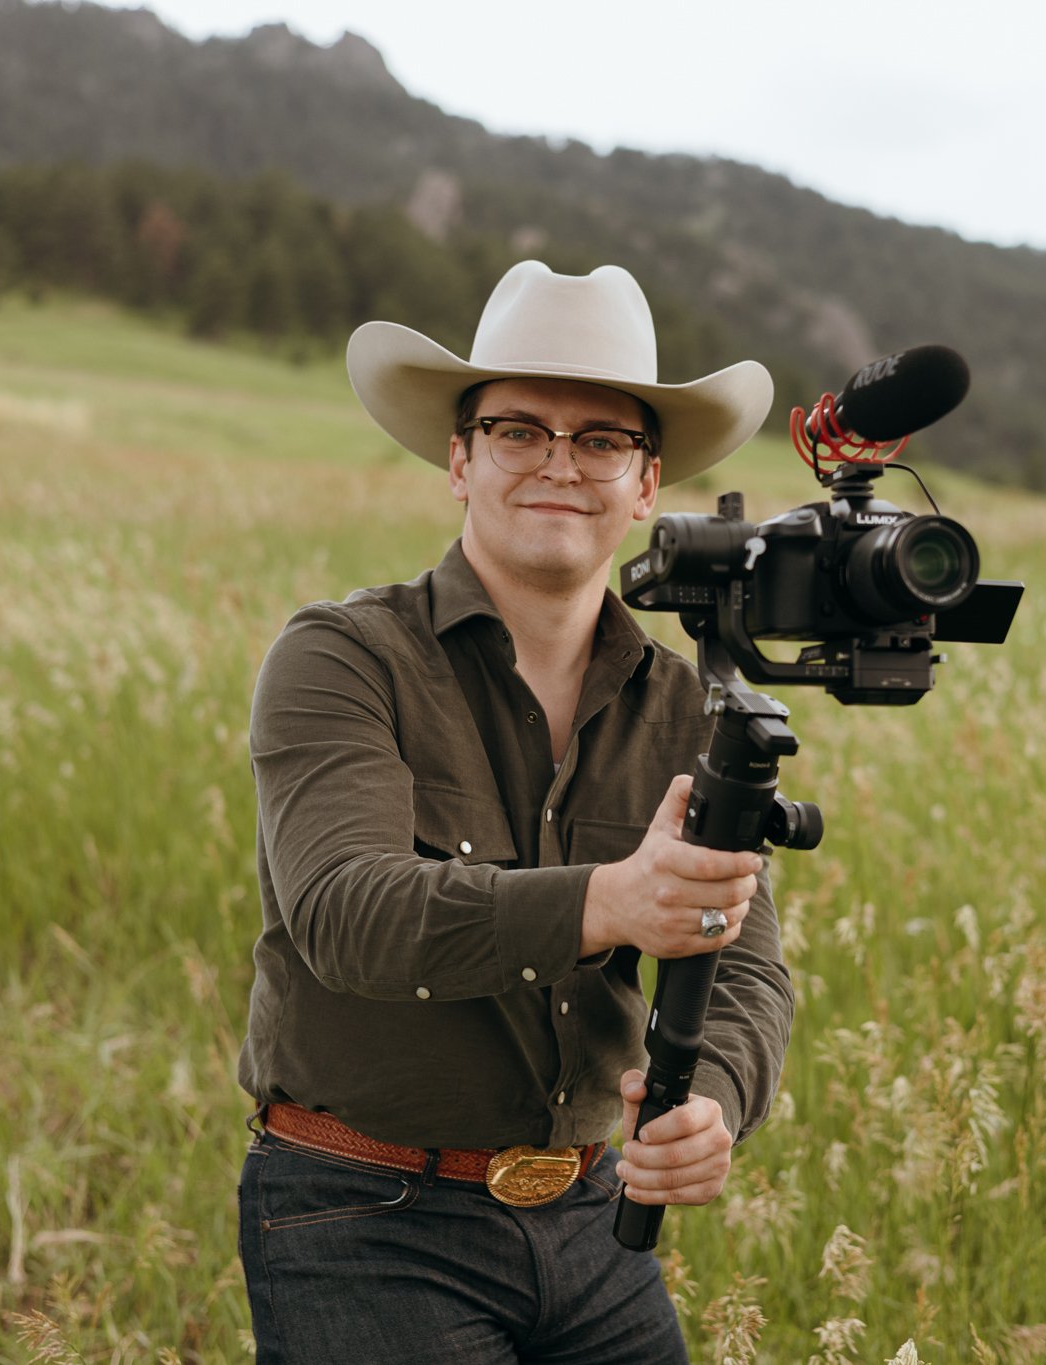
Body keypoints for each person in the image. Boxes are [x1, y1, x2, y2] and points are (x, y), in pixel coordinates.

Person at [235, 260, 794, 1361]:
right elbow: (346, 912)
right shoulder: (343, 657)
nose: (559, 465)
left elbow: (742, 964)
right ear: (461, 460)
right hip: (363, 1214)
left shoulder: (686, 704)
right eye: (518, 431)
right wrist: (610, 902)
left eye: (601, 440)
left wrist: (713, 1101)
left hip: (594, 1223)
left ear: (646, 483)